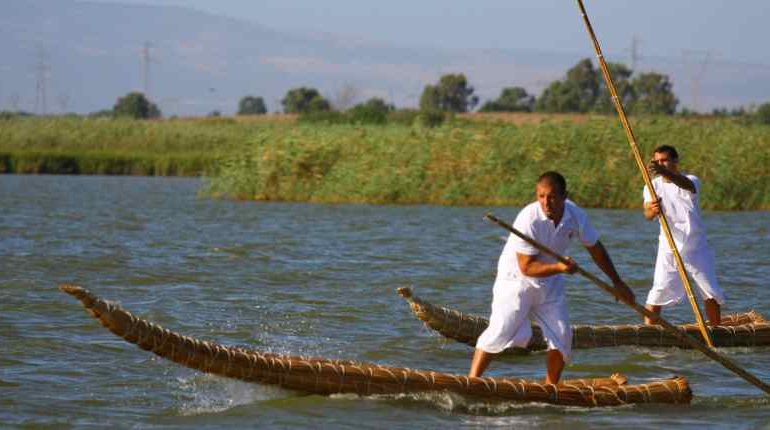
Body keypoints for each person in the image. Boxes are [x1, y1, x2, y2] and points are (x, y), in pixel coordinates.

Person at [469, 171, 635, 384]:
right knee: (501, 328)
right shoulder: (529, 218)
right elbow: (526, 267)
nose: (546, 203)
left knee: (562, 335)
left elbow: (596, 249)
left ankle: (550, 388)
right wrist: (559, 267)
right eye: (541, 196)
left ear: (565, 196)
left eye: (552, 197)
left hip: (551, 280)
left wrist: (617, 282)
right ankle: (472, 382)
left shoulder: (575, 215)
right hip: (516, 279)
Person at [642, 145, 726, 326]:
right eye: (657, 161)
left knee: (709, 290)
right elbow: (647, 214)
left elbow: (685, 185)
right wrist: (653, 210)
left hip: (696, 246)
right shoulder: (651, 186)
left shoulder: (691, 180)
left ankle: (716, 330)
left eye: (664, 160)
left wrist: (665, 171)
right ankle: (648, 331)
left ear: (675, 162)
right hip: (668, 245)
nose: (660, 164)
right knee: (658, 290)